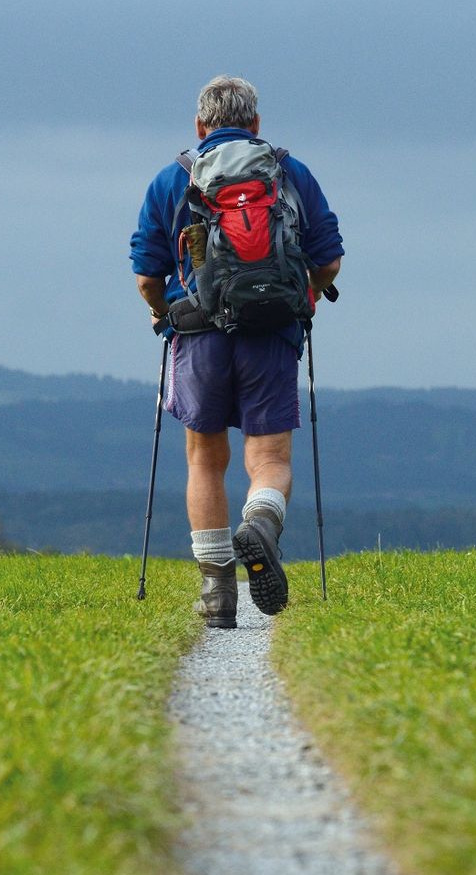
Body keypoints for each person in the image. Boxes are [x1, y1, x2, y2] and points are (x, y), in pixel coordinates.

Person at [130, 75, 343, 628]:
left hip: (197, 334)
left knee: (205, 459)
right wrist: (304, 297)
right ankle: (261, 525)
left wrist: (161, 312)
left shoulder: (172, 179)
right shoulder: (289, 173)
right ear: (256, 124)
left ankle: (218, 593)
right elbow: (328, 260)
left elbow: (147, 275)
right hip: (271, 331)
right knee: (269, 460)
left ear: (199, 125)